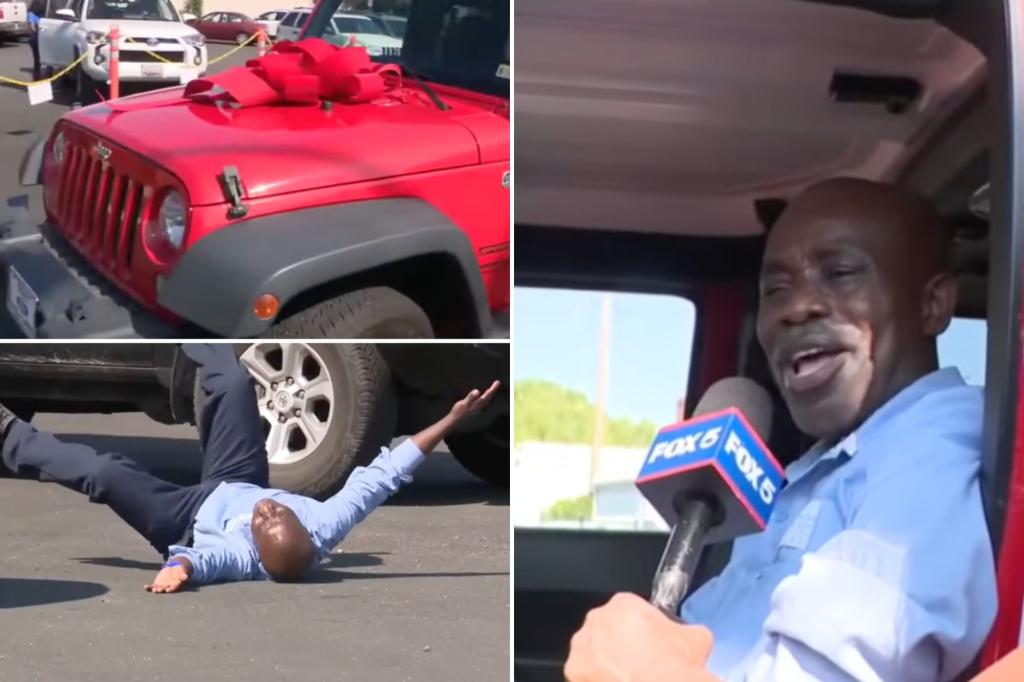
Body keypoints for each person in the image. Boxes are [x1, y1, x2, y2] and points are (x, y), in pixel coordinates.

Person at [564, 178, 998, 682]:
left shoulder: (932, 450)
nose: (795, 308)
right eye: (775, 289)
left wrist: (648, 671)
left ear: (933, 306)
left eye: (839, 274)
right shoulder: (822, 468)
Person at [0, 343, 501, 593]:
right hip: (235, 476)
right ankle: (188, 337)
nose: (266, 509)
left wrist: (179, 568)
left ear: (257, 548)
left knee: (104, 474)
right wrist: (452, 419)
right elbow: (384, 476)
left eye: (263, 522)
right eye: (279, 513)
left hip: (184, 521)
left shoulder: (239, 555)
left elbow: (205, 564)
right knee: (236, 386)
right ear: (303, 524)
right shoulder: (325, 523)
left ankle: (7, 433)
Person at [27, 0, 43, 81]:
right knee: (38, 59)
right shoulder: (32, 14)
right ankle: (37, 77)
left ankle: (37, 76)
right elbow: (32, 26)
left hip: (37, 37)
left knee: (38, 60)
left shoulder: (32, 13)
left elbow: (31, 26)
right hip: (36, 37)